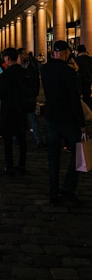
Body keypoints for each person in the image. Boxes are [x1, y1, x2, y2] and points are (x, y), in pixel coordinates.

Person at [40, 40, 86, 206]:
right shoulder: (68, 72)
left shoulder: (45, 69)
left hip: (51, 117)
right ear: (65, 52)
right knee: (78, 151)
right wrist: (81, 123)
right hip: (67, 119)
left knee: (53, 158)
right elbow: (74, 100)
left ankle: (54, 192)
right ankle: (68, 187)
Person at [0, 47, 28, 176]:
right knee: (22, 140)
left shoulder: (5, 74)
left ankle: (9, 164)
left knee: (8, 140)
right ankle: (22, 165)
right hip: (21, 110)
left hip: (8, 110)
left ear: (8, 59)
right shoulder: (24, 72)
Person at [17, 48, 45, 148]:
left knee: (30, 118)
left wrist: (34, 93)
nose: (24, 56)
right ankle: (34, 139)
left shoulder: (30, 65)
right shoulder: (28, 64)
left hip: (28, 96)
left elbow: (35, 79)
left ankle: (38, 140)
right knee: (26, 118)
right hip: (26, 96)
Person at [76, 44, 92, 109]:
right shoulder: (90, 59)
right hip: (89, 81)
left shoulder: (77, 60)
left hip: (79, 82)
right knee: (87, 97)